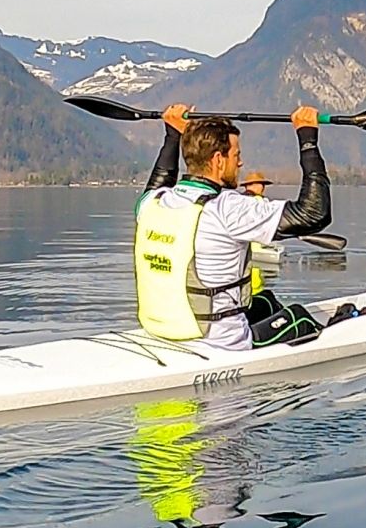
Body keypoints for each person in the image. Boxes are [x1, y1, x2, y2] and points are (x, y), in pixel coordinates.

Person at [134, 103, 331, 349]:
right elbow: (314, 214)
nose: (240, 164)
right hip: (222, 342)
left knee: (266, 301)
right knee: (298, 316)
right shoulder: (227, 207)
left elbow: (160, 179)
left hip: (163, 330)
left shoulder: (153, 203)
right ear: (218, 160)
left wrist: (173, 135)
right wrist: (308, 139)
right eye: (236, 156)